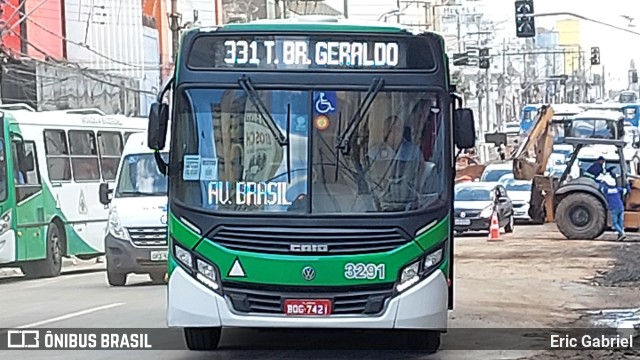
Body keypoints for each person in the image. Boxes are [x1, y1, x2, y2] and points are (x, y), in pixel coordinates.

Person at [600, 175, 630, 241]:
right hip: (621, 207)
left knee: (615, 223)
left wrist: (602, 181)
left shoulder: (606, 190)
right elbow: (627, 190)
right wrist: (627, 183)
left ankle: (622, 233)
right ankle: (620, 235)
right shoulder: (618, 189)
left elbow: (600, 188)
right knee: (620, 222)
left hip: (613, 208)